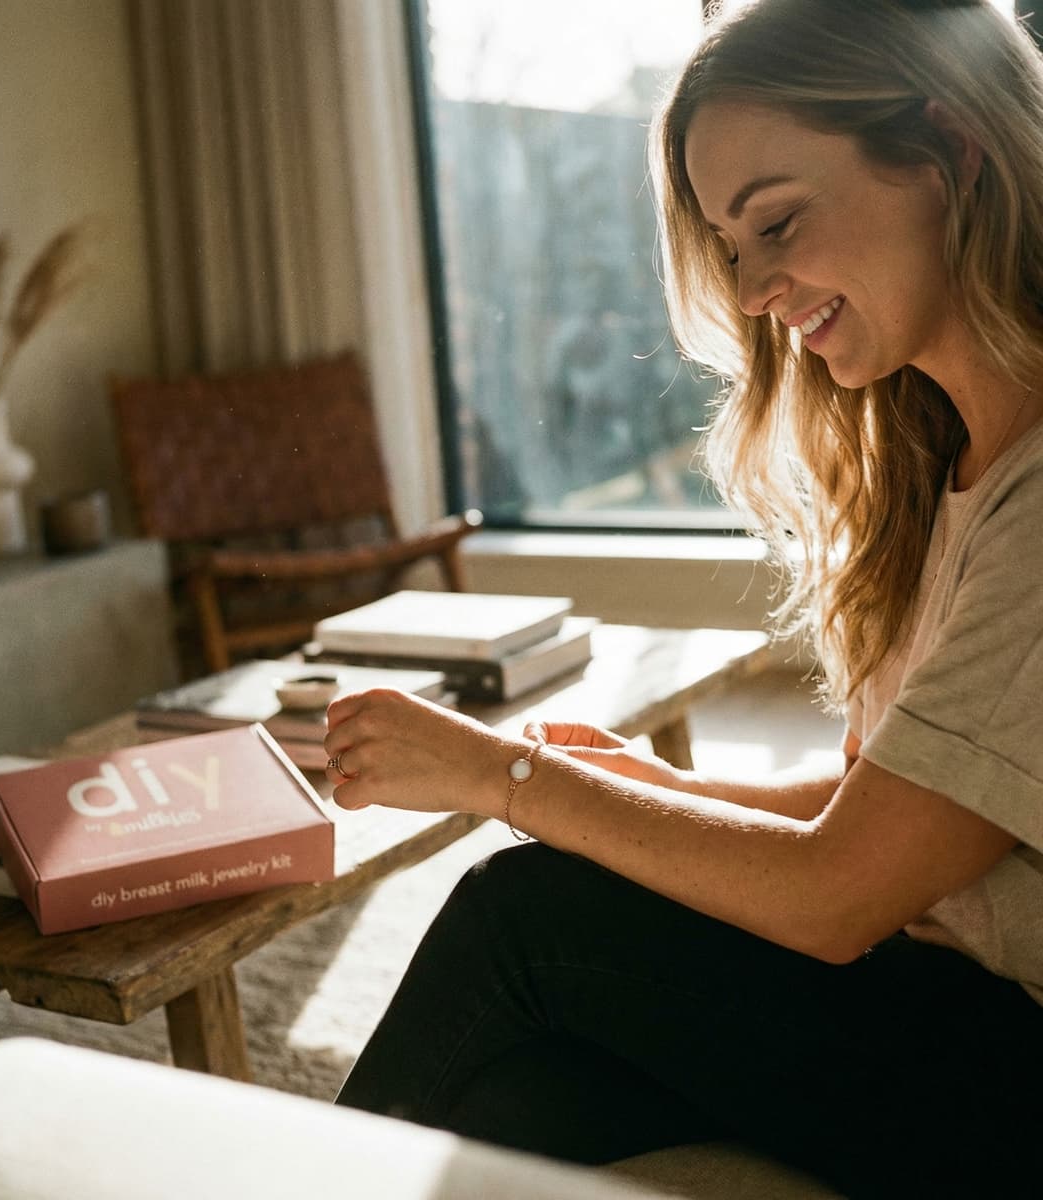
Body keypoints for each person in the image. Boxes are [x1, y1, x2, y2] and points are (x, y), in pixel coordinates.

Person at [323, 2, 1043, 1195]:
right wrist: (662, 787)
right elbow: (915, 807)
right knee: (517, 1088)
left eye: (779, 221)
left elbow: (841, 893)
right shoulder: (955, 457)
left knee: (530, 913)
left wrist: (501, 779)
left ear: (949, 152)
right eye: (731, 242)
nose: (756, 287)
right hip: (971, 1008)